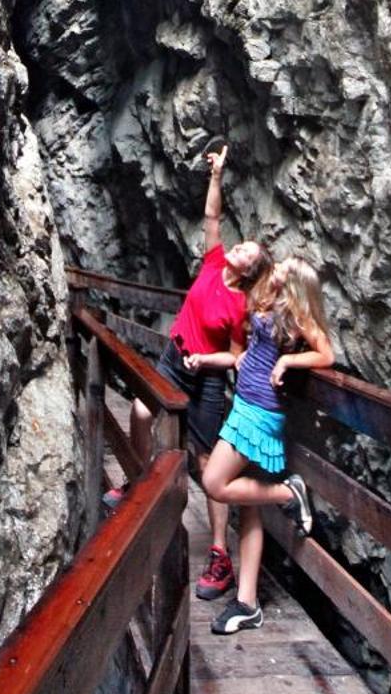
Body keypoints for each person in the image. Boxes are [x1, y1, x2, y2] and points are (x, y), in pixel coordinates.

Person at [108, 145, 270, 602]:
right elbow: (212, 219)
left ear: (250, 269)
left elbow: (238, 357)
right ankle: (138, 483)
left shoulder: (242, 306)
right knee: (141, 412)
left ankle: (219, 554)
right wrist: (216, 176)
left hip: (209, 379)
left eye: (244, 251)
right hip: (175, 357)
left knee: (205, 461)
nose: (234, 247)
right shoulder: (214, 263)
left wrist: (208, 362)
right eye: (238, 245)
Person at [197, 256, 335, 632]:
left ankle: (288, 494)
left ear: (293, 283)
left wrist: (290, 363)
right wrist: (240, 358)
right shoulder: (270, 301)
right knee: (248, 509)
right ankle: (247, 602)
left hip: (258, 414)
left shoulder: (295, 315)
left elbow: (326, 353)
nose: (277, 267)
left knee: (214, 483)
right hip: (245, 403)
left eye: (284, 268)